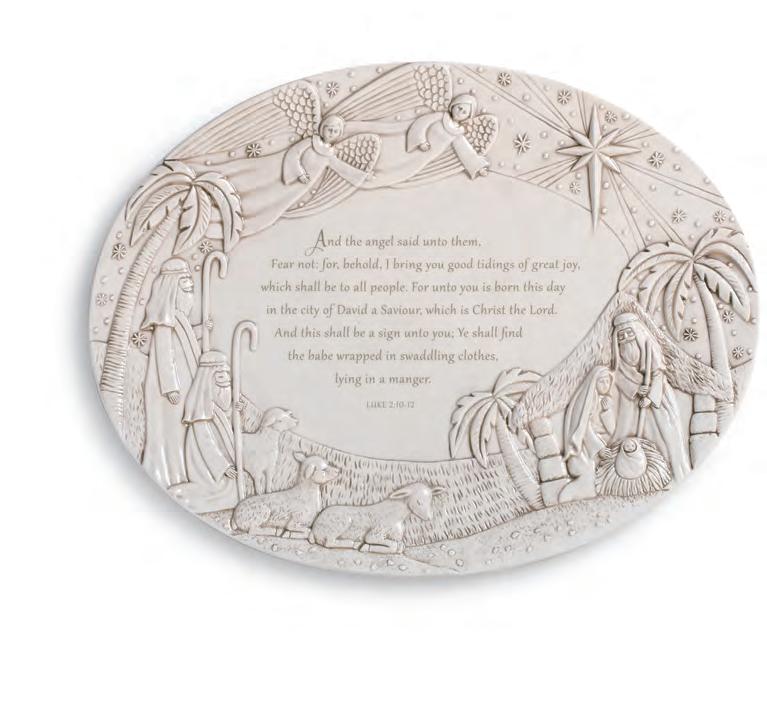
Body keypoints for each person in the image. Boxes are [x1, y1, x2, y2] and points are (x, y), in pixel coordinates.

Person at [170, 350, 261, 513]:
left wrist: (236, 411)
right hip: (207, 467)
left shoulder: (216, 407)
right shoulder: (201, 411)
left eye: (227, 378)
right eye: (220, 378)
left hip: (222, 462)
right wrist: (223, 467)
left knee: (240, 486)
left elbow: (227, 423)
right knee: (231, 492)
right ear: (207, 381)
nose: (226, 384)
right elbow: (206, 444)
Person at [141, 257, 203, 487]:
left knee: (179, 431)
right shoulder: (164, 321)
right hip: (170, 388)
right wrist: (170, 387)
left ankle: (181, 471)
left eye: (191, 289)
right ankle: (170, 473)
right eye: (186, 288)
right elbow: (164, 355)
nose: (190, 295)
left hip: (184, 381)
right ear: (171, 289)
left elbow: (187, 342)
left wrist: (202, 330)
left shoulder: (179, 318)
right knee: (171, 430)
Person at [611, 313, 690, 480]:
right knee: (644, 439)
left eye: (629, 333)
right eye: (621, 336)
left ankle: (675, 470)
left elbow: (658, 375)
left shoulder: (649, 347)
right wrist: (635, 389)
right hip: (634, 405)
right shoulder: (620, 356)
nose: (626, 338)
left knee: (667, 437)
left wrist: (650, 397)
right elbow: (619, 375)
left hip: (659, 401)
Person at [560, 366, 616, 501]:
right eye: (601, 381)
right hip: (582, 449)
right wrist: (598, 448)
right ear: (593, 382)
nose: (605, 385)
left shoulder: (603, 400)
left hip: (597, 444)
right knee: (588, 474)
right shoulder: (586, 401)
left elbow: (612, 431)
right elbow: (583, 428)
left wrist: (607, 411)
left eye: (607, 381)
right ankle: (566, 496)